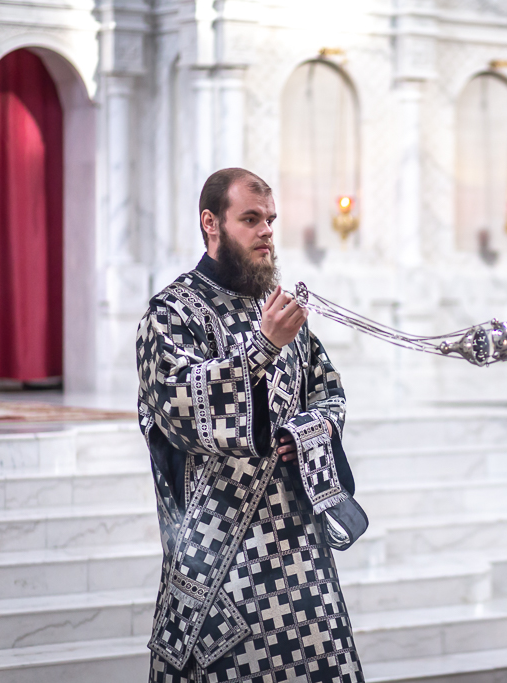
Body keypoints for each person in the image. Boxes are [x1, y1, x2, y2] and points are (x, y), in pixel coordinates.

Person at [136, 168, 367, 683]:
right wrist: (262, 348)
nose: (266, 231)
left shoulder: (277, 309)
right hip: (220, 561)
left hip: (300, 558)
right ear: (211, 223)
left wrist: (307, 433)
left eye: (270, 220)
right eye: (250, 219)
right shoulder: (171, 313)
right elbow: (178, 408)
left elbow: (328, 392)